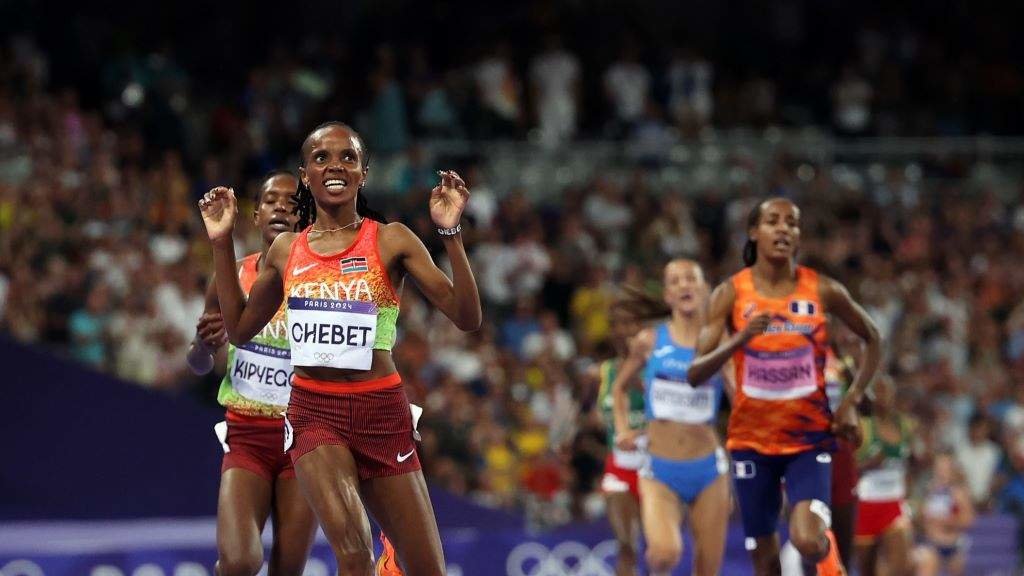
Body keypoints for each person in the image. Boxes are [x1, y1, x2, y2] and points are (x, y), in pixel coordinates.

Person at [198, 121, 481, 576]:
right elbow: (240, 329)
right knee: (353, 553)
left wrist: (451, 234)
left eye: (347, 157)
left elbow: (467, 318)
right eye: (321, 157)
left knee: (428, 570)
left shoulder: (391, 239)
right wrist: (220, 241)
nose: (335, 166)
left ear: (363, 172)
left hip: (382, 411)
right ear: (305, 173)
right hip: (313, 413)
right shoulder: (286, 249)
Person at [688, 197, 882, 576]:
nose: (783, 230)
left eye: (791, 223)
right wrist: (739, 340)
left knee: (808, 539)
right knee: (764, 559)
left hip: (808, 442)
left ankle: (831, 565)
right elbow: (695, 372)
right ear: (753, 232)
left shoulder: (822, 289)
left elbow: (873, 337)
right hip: (750, 444)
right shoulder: (730, 293)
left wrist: (852, 399)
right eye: (773, 221)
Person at [186, 170, 318, 576]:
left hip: (307, 438)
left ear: (305, 219)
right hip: (246, 436)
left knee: (288, 568)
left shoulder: (320, 284)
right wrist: (205, 347)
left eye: (292, 202)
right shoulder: (230, 276)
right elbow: (198, 364)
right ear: (256, 215)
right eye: (271, 200)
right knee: (240, 561)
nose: (281, 206)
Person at [613, 260, 730, 576]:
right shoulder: (650, 341)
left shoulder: (719, 341)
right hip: (659, 469)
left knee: (707, 570)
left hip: (708, 469)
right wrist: (622, 429)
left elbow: (742, 396)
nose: (684, 286)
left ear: (705, 289)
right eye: (675, 281)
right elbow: (619, 387)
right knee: (664, 554)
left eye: (691, 279)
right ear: (667, 296)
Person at [592, 289, 651, 575]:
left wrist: (640, 430)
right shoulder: (605, 371)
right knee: (626, 545)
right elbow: (601, 420)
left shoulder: (657, 367)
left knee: (658, 551)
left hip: (656, 468)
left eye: (631, 323)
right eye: (617, 324)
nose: (623, 330)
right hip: (619, 469)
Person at [854, 374, 914, 576]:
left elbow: (909, 463)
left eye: (887, 391)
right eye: (878, 391)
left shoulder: (904, 425)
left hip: (893, 503)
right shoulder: (863, 426)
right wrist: (868, 464)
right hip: (866, 504)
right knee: (867, 570)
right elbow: (847, 468)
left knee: (902, 567)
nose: (883, 396)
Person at [914, 452, 975, 576]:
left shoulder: (958, 493)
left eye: (945, 468)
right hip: (930, 543)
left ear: (952, 470)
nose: (941, 472)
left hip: (952, 545)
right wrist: (922, 516)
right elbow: (918, 520)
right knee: (926, 564)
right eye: (939, 468)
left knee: (957, 565)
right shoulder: (927, 491)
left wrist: (945, 521)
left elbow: (969, 520)